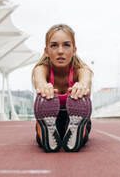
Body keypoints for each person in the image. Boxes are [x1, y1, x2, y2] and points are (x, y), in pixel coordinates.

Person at [32, 24, 93, 152]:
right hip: (51, 118)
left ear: (74, 50)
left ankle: (78, 131)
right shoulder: (41, 69)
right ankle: (45, 133)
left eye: (66, 45)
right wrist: (44, 87)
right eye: (54, 45)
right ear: (46, 51)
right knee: (45, 100)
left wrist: (81, 87)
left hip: (75, 116)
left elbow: (85, 80)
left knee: (80, 99)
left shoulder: (81, 69)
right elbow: (39, 81)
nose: (60, 51)